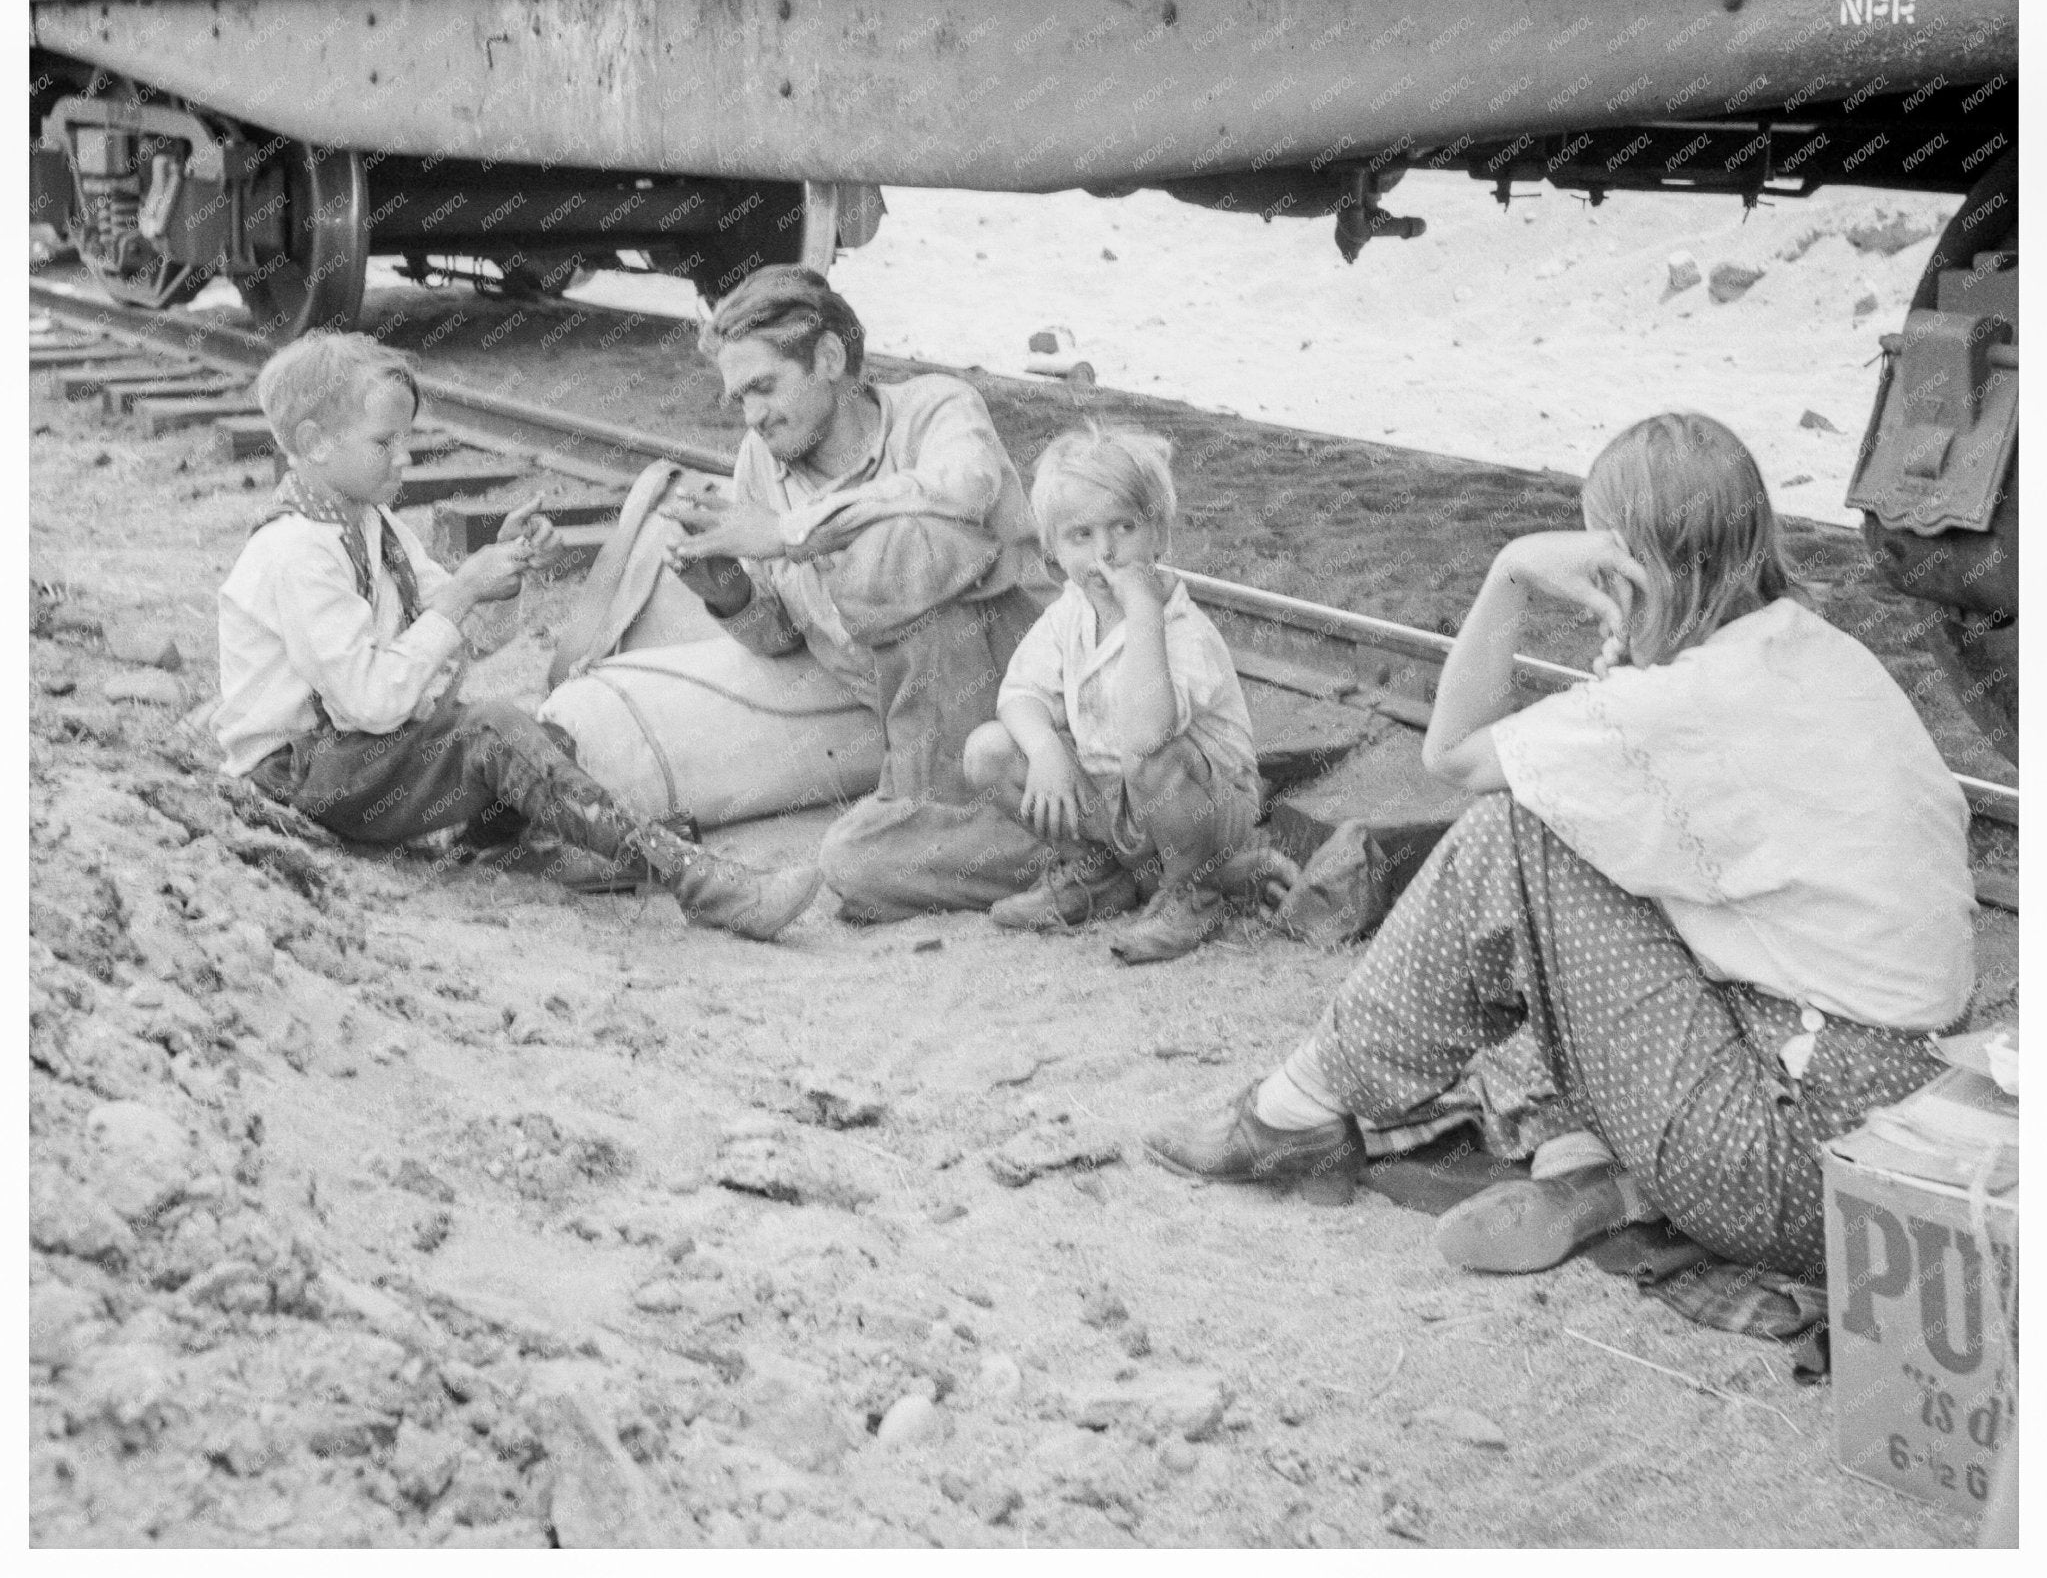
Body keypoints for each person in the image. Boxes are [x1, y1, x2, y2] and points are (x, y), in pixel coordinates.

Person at [1144, 412, 1975, 1284]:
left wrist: (1510, 574)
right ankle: (1596, 1168)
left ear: (1629, 564)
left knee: (1518, 837)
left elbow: (1454, 753)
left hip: (1797, 1161)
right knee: (1577, 838)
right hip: (1905, 1130)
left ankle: (1298, 1108)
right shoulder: (1822, 653)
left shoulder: (1681, 706)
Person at [214, 332, 817, 940]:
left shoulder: (369, 522)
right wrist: (460, 594)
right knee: (496, 732)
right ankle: (700, 882)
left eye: (407, 439)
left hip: (352, 755)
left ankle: (501, 846)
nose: (405, 459)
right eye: (384, 442)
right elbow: (372, 701)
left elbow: (457, 641)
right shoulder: (295, 552)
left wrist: (503, 573)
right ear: (315, 444)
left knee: (542, 737)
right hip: (295, 774)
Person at [654, 266, 1049, 921]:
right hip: (909, 728)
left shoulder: (934, 407)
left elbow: (965, 490)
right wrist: (726, 593)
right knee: (852, 863)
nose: (753, 416)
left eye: (764, 387)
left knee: (897, 548)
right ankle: (1075, 847)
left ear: (830, 358)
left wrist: (788, 532)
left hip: (1019, 692)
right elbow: (784, 637)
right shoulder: (761, 462)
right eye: (739, 400)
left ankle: (1041, 831)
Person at [962, 424, 1261, 964]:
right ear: (1054, 551)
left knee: (1150, 759)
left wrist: (1142, 608)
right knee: (989, 750)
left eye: (1125, 527)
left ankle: (1194, 893)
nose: (1106, 552)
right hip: (1118, 800)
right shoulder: (1070, 614)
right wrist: (1048, 751)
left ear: (1160, 536)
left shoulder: (1179, 627)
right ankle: (1098, 873)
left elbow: (1148, 736)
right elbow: (1020, 693)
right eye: (1081, 535)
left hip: (1206, 809)